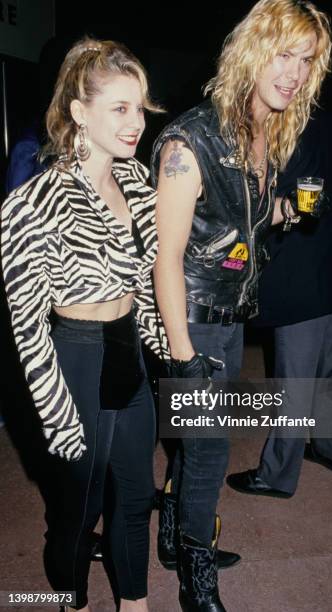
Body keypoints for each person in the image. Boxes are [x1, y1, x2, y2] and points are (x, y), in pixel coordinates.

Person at [151, 1, 332, 610]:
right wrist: (183, 358)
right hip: (193, 324)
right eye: (284, 54)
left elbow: (238, 228)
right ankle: (197, 582)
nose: (295, 72)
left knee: (192, 445)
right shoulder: (191, 138)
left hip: (230, 322)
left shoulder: (263, 133)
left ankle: (176, 539)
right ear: (251, 51)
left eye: (306, 60)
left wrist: (284, 212)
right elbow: (167, 258)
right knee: (207, 453)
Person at [1, 37, 167, 612]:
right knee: (79, 508)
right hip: (73, 359)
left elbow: (144, 282)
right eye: (120, 108)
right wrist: (56, 412)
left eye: (140, 107)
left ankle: (136, 602)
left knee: (136, 495)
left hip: (127, 355)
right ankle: (70, 598)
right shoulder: (35, 201)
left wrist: (165, 343)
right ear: (78, 112)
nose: (136, 122)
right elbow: (26, 327)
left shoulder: (141, 184)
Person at [227, 108, 332, 499]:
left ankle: (277, 475)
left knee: (295, 380)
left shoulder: (284, 126)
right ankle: (331, 448)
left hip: (306, 275)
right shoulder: (330, 120)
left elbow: (268, 203)